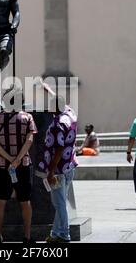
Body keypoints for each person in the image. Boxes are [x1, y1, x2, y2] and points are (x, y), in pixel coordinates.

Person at [0, 90, 37, 243]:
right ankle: (27, 236)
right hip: (22, 165)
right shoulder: (27, 117)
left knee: (0, 200)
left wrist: (9, 158)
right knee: (25, 201)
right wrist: (17, 160)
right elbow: (29, 140)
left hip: (2, 166)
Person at [43, 95, 78, 243]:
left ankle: (64, 234)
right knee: (61, 202)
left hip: (58, 170)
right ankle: (55, 233)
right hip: (69, 166)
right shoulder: (70, 114)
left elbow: (58, 148)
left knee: (59, 203)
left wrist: (51, 171)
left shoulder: (58, 124)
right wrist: (48, 90)